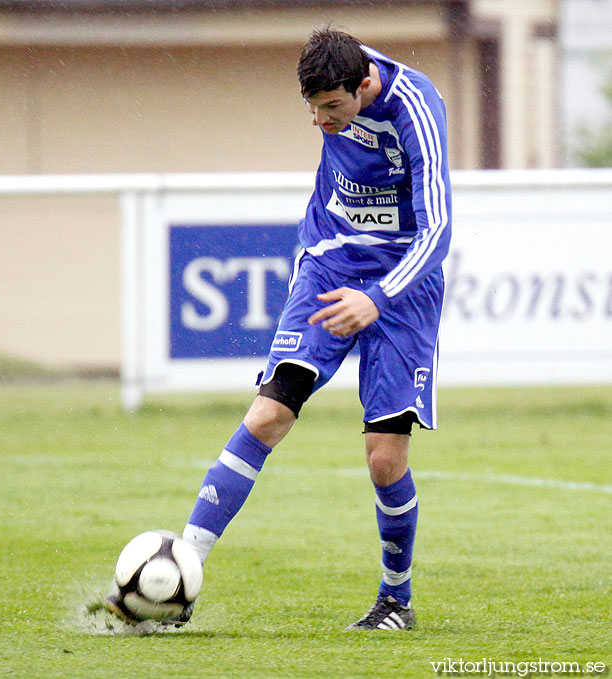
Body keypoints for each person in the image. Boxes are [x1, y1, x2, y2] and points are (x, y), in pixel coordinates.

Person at [109, 27, 451, 631]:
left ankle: (395, 600)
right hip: (330, 261)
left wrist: (377, 298)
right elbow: (329, 121)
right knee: (268, 414)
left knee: (384, 461)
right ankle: (181, 573)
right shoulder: (334, 90)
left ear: (365, 85)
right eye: (312, 109)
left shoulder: (417, 109)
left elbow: (438, 230)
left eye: (333, 109)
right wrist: (353, 284)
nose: (321, 122)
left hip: (401, 285)